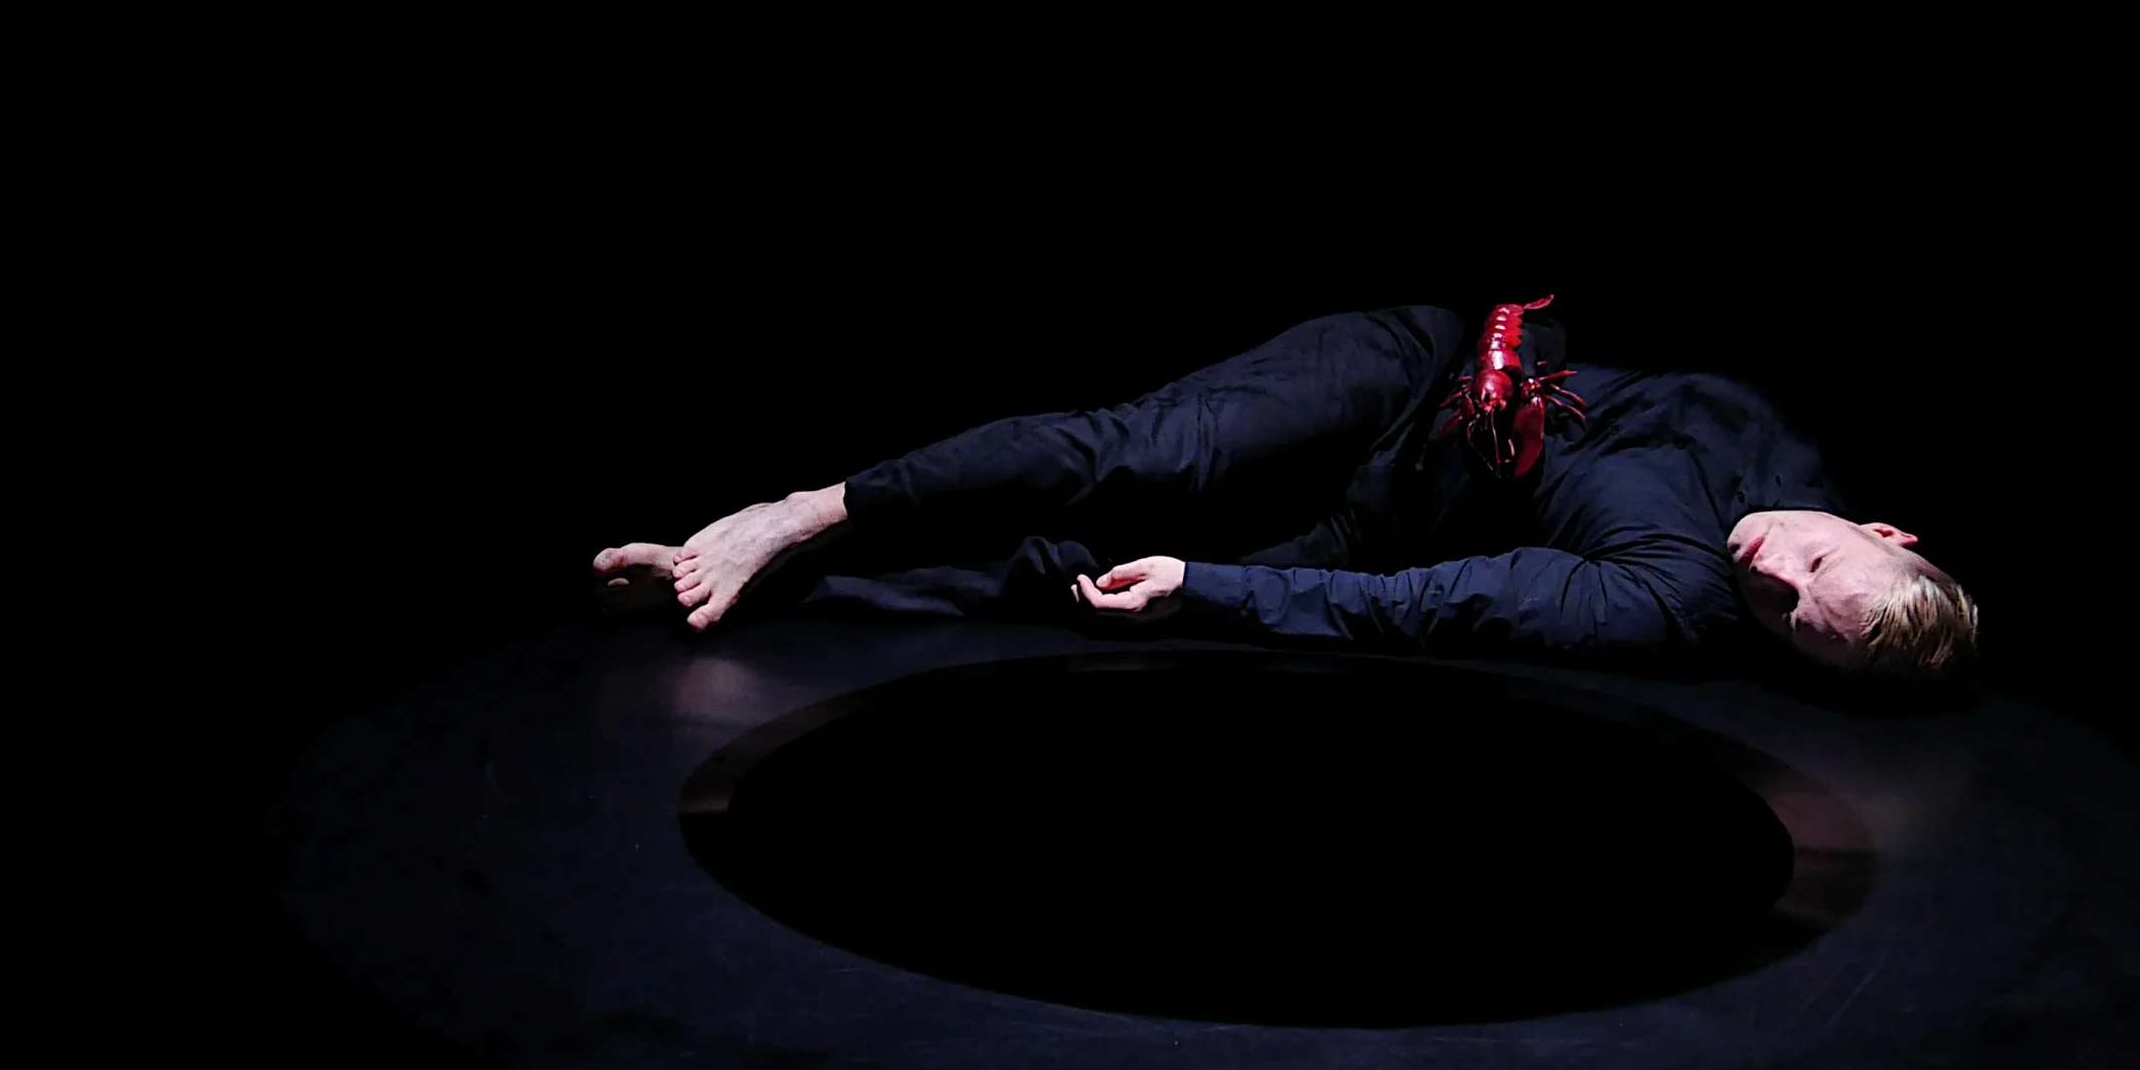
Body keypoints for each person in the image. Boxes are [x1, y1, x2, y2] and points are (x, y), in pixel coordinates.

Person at [593, 304, 1979, 677]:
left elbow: (1437, 602)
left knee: (1093, 582)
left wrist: (1209, 586)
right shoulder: (1787, 449)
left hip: (1372, 527)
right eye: (1817, 566)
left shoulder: (1672, 600)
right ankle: (800, 512)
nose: (1768, 571)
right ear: (1885, 530)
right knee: (1146, 450)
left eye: (1788, 616)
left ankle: (802, 585)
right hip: (1412, 374)